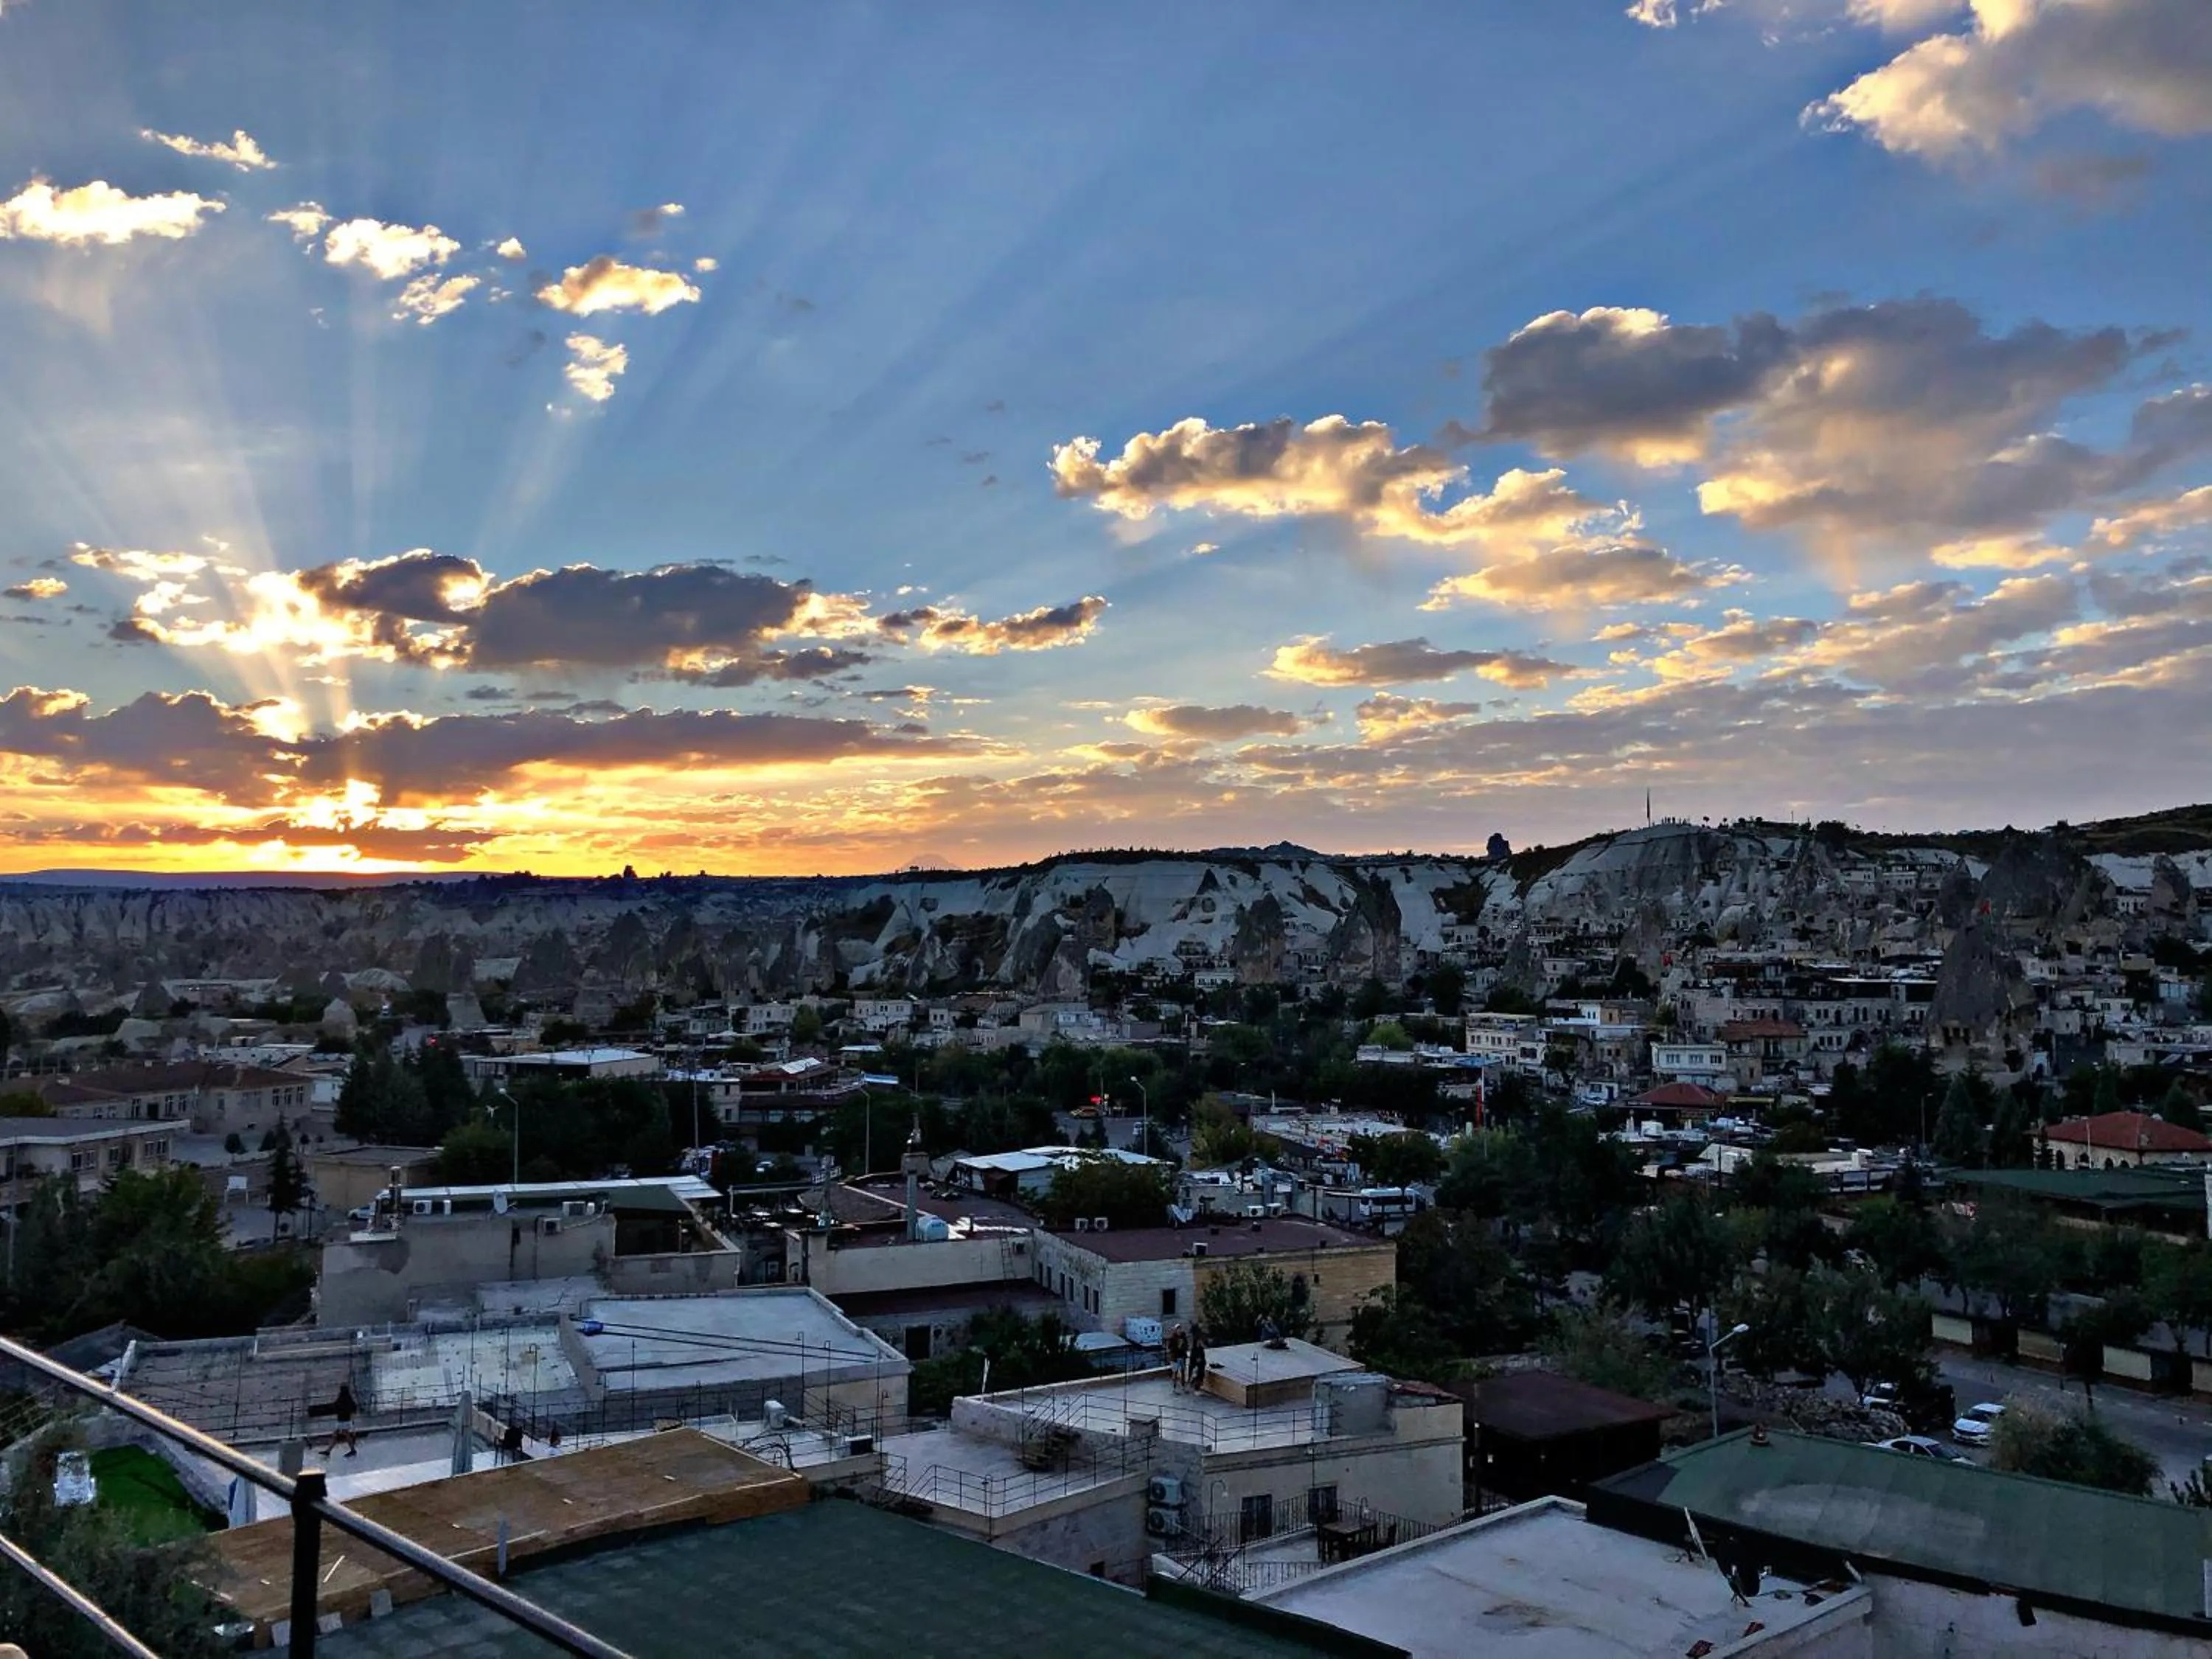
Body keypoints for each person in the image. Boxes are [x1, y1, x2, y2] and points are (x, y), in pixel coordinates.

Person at [325, 1381, 360, 1458]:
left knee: (339, 1434)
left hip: (342, 1420)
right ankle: (328, 1451)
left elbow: (336, 1406)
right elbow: (353, 1408)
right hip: (346, 1419)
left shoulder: (341, 1398)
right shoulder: (349, 1399)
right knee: (340, 1434)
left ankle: (329, 1451)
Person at [1166, 1325, 1189, 1390]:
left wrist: (1184, 1348)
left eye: (1180, 1329)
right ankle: (1174, 1387)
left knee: (1183, 1372)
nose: (1180, 1331)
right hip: (1175, 1358)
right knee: (1175, 1373)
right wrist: (1178, 1346)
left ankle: (1183, 1386)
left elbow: (1186, 1345)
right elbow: (1170, 1348)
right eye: (1178, 1329)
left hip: (1182, 1357)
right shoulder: (1172, 1338)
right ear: (1176, 1330)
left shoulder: (1183, 1337)